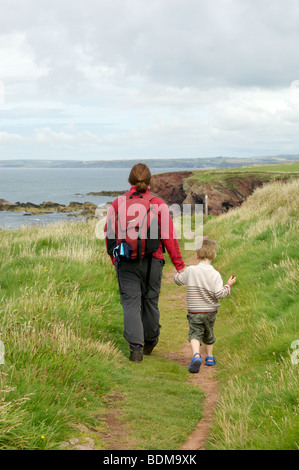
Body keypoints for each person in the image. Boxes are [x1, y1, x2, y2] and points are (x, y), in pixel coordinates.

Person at [104, 163, 185, 362]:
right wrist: (179, 266)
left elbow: (109, 236)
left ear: (130, 180)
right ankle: (150, 343)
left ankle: (135, 350)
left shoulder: (118, 203)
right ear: (149, 181)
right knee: (150, 302)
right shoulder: (158, 203)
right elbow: (168, 237)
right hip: (153, 261)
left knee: (130, 304)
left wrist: (116, 258)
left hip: (125, 261)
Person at [174, 238, 236, 373]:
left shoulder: (190, 271)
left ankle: (196, 355)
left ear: (197, 255)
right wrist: (228, 285)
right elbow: (219, 294)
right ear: (214, 256)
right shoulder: (215, 274)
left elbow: (178, 281)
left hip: (194, 311)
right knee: (209, 332)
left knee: (195, 333)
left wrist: (177, 274)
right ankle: (209, 357)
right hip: (210, 311)